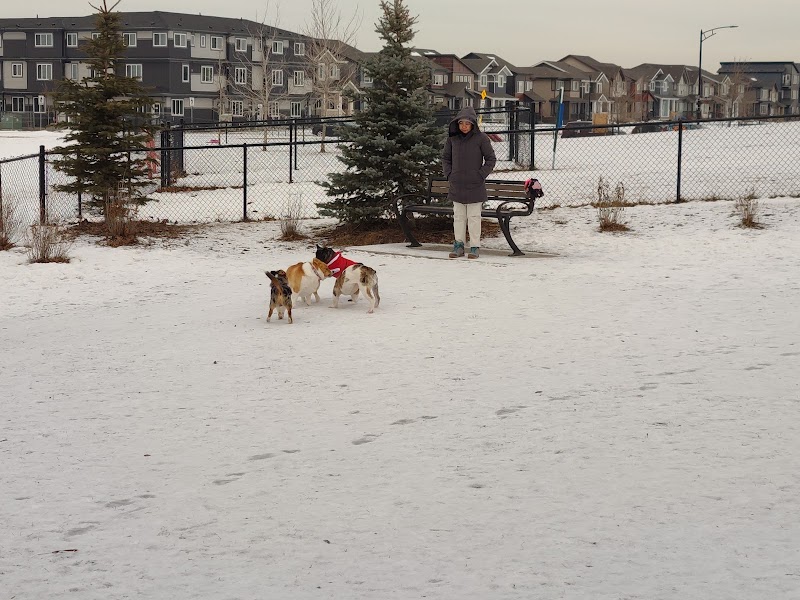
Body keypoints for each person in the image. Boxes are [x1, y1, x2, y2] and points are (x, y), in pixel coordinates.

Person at [441, 106, 497, 259]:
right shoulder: (452, 139)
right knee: (458, 217)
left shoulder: (481, 139)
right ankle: (458, 245)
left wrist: (480, 175)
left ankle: (474, 247)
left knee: (474, 218)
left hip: (475, 186)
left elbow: (490, 159)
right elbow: (446, 158)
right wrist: (449, 174)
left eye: (467, 123)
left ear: (473, 124)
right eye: (461, 123)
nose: (464, 126)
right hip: (457, 185)